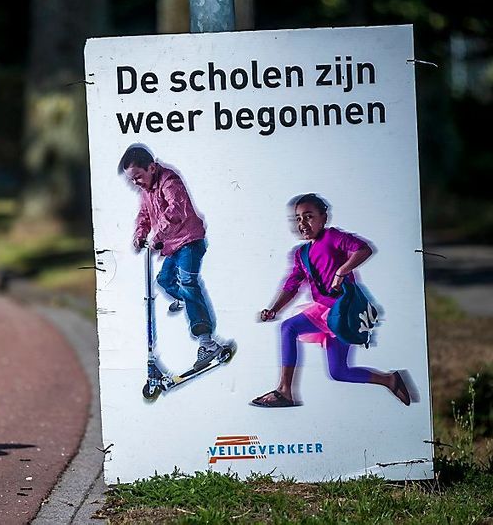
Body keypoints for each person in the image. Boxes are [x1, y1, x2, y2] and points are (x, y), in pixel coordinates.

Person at [251, 193, 412, 407]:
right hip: (322, 312)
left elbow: (363, 249)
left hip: (344, 312)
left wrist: (341, 271)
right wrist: (274, 309)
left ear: (323, 218)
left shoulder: (332, 237)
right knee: (324, 359)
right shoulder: (301, 254)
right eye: (298, 219)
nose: (302, 223)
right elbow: (292, 286)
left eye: (308, 216)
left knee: (323, 358)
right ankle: (389, 380)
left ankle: (285, 391)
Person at [118, 144, 228, 369]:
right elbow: (144, 215)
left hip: (190, 241)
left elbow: (176, 211)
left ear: (151, 167)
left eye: (138, 177)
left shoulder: (170, 181)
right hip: (172, 246)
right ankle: (188, 301)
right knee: (164, 281)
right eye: (132, 181)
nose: (136, 183)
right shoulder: (145, 191)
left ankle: (207, 342)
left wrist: (157, 236)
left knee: (188, 283)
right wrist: (140, 235)